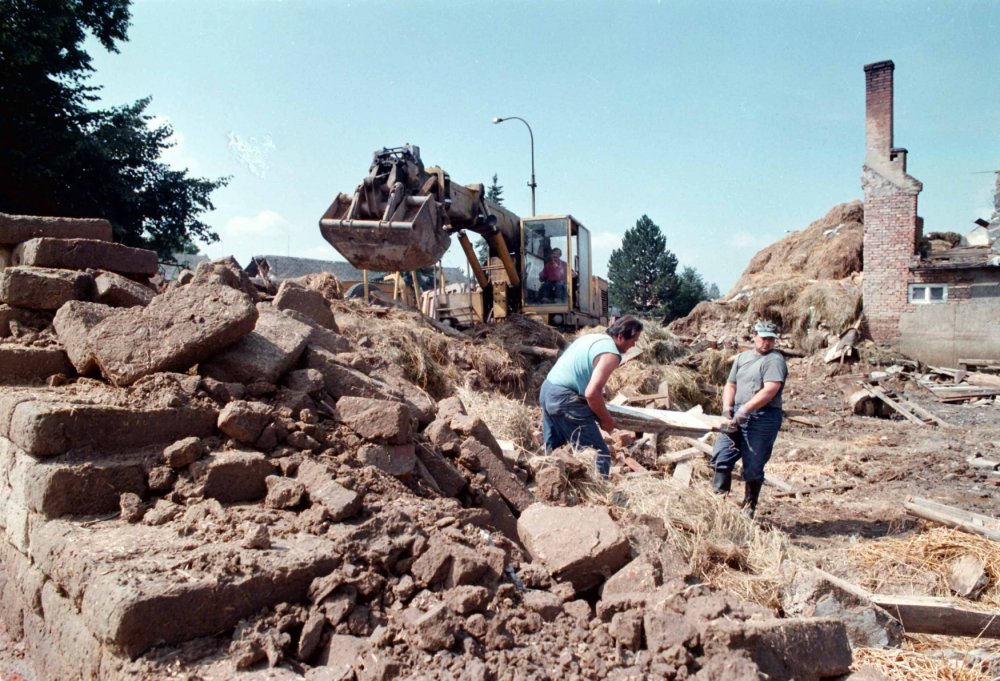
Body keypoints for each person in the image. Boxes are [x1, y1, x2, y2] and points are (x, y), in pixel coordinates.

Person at [539, 315, 644, 477]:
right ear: (621, 336)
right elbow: (591, 393)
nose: (634, 345)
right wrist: (606, 420)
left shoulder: (593, 338)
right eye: (633, 340)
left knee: (555, 450)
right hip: (564, 399)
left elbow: (579, 371)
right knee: (597, 455)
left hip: (548, 390)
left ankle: (550, 489)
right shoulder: (611, 354)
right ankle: (599, 496)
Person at [710, 320, 788, 518]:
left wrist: (746, 409)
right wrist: (728, 408)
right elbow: (731, 384)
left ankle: (749, 507)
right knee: (722, 455)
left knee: (753, 463)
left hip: (762, 416)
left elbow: (770, 389)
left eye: (771, 339)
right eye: (763, 338)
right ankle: (718, 507)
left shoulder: (774, 360)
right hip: (736, 411)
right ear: (754, 336)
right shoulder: (743, 357)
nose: (767, 343)